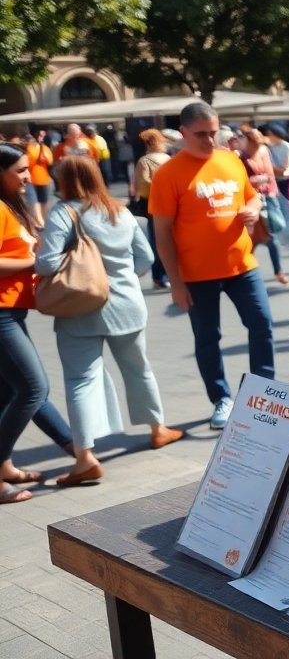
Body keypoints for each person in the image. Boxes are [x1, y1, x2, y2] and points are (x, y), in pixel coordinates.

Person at [36, 158, 182, 486]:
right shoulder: (120, 211)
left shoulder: (64, 212)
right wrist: (121, 277)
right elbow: (144, 258)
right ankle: (158, 429)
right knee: (138, 368)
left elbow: (45, 264)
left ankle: (85, 457)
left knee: (80, 380)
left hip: (80, 309)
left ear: (64, 180)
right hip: (127, 306)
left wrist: (73, 261)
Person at [149, 102, 274, 429]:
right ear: (183, 133)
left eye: (214, 132)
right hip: (196, 274)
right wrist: (175, 282)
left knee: (262, 323)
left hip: (242, 265)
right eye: (201, 134)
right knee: (207, 337)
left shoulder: (230, 160)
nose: (209, 140)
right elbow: (161, 234)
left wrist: (252, 208)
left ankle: (264, 392)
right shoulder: (169, 173)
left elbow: (252, 196)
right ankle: (221, 398)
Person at [0, 144, 79, 503]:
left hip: (12, 311)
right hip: (1, 314)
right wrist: (34, 262)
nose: (28, 176)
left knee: (18, 390)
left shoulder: (10, 207)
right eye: (19, 170)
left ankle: (76, 451)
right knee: (33, 388)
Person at [240, 130, 289, 286]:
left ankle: (278, 271)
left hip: (267, 198)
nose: (256, 147)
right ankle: (244, 271)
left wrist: (272, 190)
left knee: (271, 236)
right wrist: (254, 181)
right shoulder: (241, 158)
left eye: (258, 143)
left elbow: (270, 173)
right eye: (253, 143)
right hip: (251, 200)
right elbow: (241, 181)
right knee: (251, 239)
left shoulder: (263, 151)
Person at [131, 129, 172, 288]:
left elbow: (143, 185)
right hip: (171, 202)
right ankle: (169, 273)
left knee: (157, 240)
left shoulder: (145, 161)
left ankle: (159, 275)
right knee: (170, 238)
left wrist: (159, 187)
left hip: (153, 205)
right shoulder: (168, 159)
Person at [22, 135, 53, 229]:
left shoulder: (44, 149)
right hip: (31, 179)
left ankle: (40, 220)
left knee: (42, 201)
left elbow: (50, 161)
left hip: (42, 179)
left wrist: (45, 158)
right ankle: (40, 221)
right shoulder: (27, 149)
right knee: (34, 201)